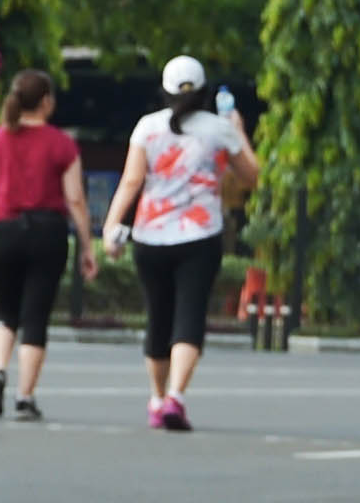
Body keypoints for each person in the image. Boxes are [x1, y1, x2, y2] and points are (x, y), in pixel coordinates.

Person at [102, 55, 258, 431]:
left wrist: (110, 225)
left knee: (158, 317)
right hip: (200, 236)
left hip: (150, 236)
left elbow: (130, 181)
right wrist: (238, 129)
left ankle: (157, 399)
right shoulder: (219, 129)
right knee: (189, 315)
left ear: (165, 91)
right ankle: (176, 396)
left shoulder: (147, 127)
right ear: (203, 91)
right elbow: (251, 176)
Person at [0, 69, 100, 421]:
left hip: (3, 231)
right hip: (47, 232)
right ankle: (25, 397)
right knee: (35, 316)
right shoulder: (62, 145)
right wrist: (87, 246)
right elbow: (75, 200)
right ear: (46, 102)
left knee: (3, 311)